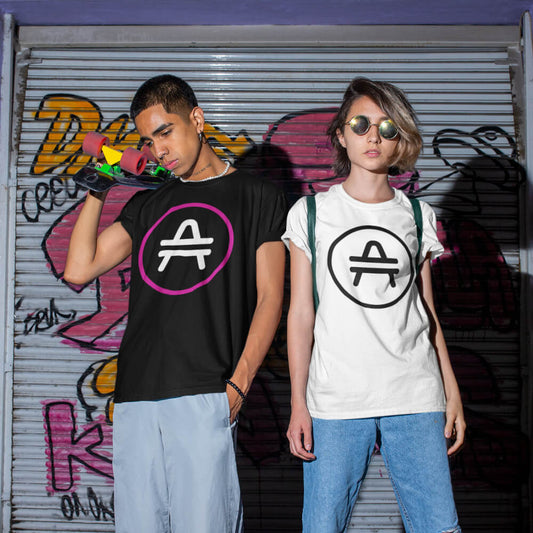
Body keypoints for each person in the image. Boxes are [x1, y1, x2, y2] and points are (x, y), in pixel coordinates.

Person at [64, 74, 287, 533]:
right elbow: (78, 269)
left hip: (205, 392)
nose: (159, 149)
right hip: (135, 397)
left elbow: (271, 298)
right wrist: (98, 184)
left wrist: (238, 387)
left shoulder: (257, 195)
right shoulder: (150, 203)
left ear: (197, 119)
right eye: (148, 140)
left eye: (165, 132)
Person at [283, 77, 466, 533]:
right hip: (335, 400)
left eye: (387, 127)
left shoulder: (418, 215)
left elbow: (426, 312)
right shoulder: (311, 213)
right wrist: (298, 404)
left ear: (399, 140)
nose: (373, 136)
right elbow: (301, 314)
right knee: (321, 526)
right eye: (361, 123)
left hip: (415, 393)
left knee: (438, 527)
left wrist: (451, 389)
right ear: (341, 135)